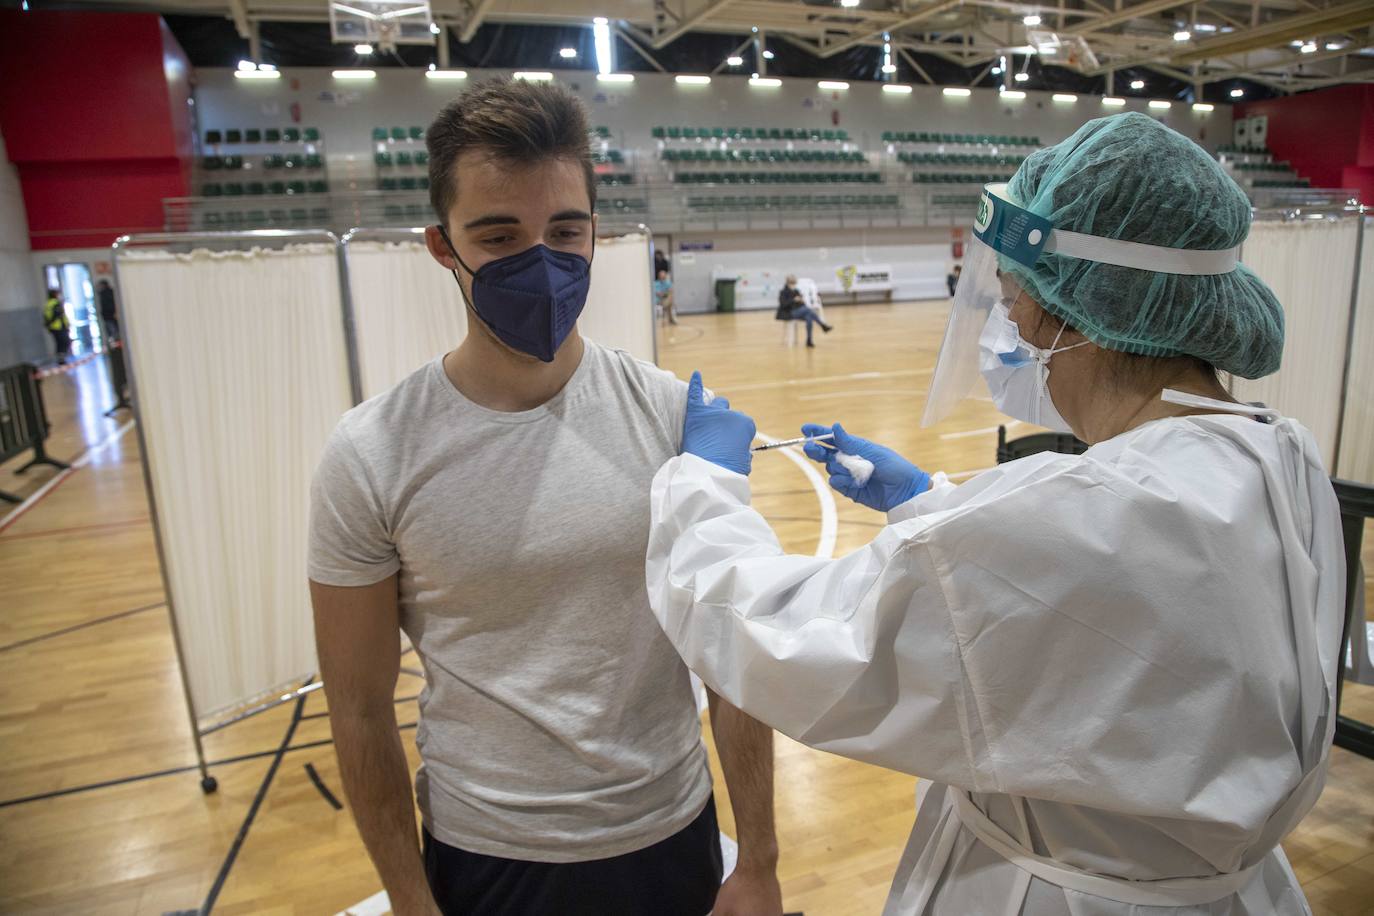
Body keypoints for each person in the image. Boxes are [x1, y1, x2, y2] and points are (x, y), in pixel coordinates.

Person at [642, 112, 1344, 914]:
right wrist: (927, 502)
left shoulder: (1084, 517)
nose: (1012, 331)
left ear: (1086, 316)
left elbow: (776, 638)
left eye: (1019, 311)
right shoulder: (1275, 454)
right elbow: (1085, 604)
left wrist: (704, 485)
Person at [308, 79, 781, 916]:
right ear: (440, 246)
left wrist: (761, 861)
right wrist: (410, 902)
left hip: (673, 832)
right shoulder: (371, 454)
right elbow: (357, 710)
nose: (543, 261)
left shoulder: (672, 415)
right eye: (499, 235)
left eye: (566, 231)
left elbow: (731, 660)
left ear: (596, 232)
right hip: (488, 856)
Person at [774, 274, 832, 347]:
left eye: (794, 283)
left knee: (809, 318)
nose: (793, 285)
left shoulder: (796, 291)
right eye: (792, 283)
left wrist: (801, 301)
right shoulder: (783, 292)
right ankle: (823, 325)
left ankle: (809, 340)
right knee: (808, 310)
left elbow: (801, 305)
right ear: (788, 283)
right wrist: (793, 300)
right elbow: (783, 305)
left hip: (799, 312)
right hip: (788, 313)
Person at [43, 288, 69, 364]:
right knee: (63, 342)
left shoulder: (48, 303)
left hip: (53, 327)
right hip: (58, 327)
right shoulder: (55, 303)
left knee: (59, 343)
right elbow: (57, 315)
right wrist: (65, 326)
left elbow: (46, 316)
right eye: (58, 294)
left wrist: (48, 325)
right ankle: (61, 359)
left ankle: (60, 358)